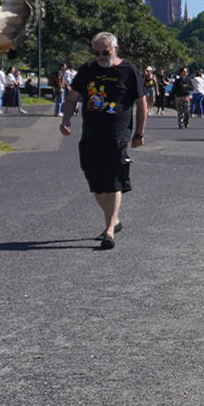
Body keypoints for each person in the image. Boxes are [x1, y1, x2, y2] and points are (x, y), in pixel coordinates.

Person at [59, 31, 145, 249]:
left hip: (117, 136)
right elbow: (72, 97)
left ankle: (109, 231)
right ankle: (114, 220)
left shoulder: (129, 71)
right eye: (96, 53)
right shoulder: (88, 70)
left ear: (115, 49)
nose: (100, 56)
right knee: (97, 186)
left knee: (114, 181)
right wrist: (66, 119)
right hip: (90, 135)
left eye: (104, 52)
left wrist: (139, 133)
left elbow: (141, 103)